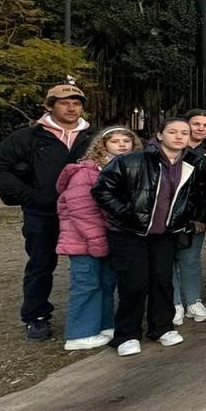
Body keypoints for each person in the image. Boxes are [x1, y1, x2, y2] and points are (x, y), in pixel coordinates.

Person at [0, 83, 95, 340]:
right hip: (42, 213)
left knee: (90, 266)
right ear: (49, 106)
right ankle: (36, 315)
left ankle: (94, 316)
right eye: (64, 102)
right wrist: (29, 196)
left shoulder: (93, 137)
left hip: (84, 213)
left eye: (76, 103)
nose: (71, 107)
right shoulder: (27, 137)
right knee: (40, 265)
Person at [92, 117, 204, 356]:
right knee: (134, 284)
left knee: (162, 281)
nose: (179, 136)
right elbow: (102, 189)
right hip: (129, 232)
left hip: (164, 233)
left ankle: (162, 327)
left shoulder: (191, 164)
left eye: (184, 132)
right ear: (160, 135)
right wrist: (124, 213)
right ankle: (127, 334)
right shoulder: (132, 160)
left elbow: (193, 195)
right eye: (172, 132)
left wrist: (184, 218)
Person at [55, 127, 140, 351]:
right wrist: (96, 241)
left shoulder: (127, 168)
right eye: (115, 141)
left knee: (106, 283)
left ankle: (104, 325)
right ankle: (80, 333)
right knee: (86, 285)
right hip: (84, 240)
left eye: (126, 141)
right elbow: (82, 211)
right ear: (102, 145)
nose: (122, 145)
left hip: (109, 237)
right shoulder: (86, 172)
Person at [172, 108, 206, 325]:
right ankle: (174, 304)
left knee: (190, 260)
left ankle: (193, 301)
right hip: (167, 214)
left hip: (194, 215)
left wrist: (201, 217)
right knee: (168, 261)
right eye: (196, 124)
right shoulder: (170, 148)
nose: (200, 128)